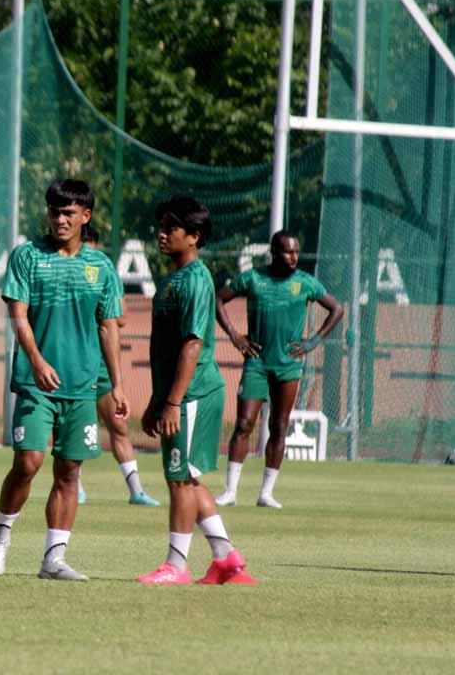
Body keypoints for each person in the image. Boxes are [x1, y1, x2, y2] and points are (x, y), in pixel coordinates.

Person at [0, 179, 128, 581]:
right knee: (28, 462)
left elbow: (108, 327)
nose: (59, 219)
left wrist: (116, 385)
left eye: (68, 213)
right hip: (35, 382)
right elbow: (18, 315)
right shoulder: (28, 256)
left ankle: (54, 558)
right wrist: (37, 360)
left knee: (69, 472)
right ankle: (1, 537)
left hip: (82, 386)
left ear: (86, 217)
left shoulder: (101, 267)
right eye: (54, 211)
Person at [137, 196, 256, 585]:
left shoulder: (196, 279)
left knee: (178, 481)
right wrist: (158, 400)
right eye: (162, 224)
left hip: (191, 396)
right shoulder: (173, 278)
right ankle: (226, 559)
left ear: (194, 237)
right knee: (188, 478)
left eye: (171, 227)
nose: (162, 232)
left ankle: (176, 565)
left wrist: (172, 401)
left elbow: (192, 344)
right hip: (177, 396)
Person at [214, 231, 343, 508]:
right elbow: (219, 299)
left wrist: (313, 341)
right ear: (274, 252)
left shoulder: (305, 283)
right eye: (287, 251)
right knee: (244, 424)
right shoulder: (253, 278)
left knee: (279, 426)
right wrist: (236, 336)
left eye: (296, 251)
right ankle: (230, 491)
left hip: (288, 366)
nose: (294, 257)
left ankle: (266, 493)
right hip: (257, 363)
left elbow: (336, 309)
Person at [81, 226, 161, 507]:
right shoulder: (65, 271)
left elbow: (121, 318)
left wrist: (99, 309)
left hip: (102, 366)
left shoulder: (105, 272)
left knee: (119, 427)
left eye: (93, 249)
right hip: (74, 366)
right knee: (73, 429)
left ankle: (136, 490)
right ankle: (74, 485)